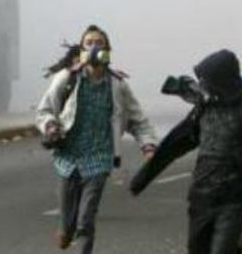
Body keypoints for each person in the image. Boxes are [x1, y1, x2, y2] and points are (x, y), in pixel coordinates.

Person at [131, 49, 242, 254]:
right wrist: (141, 179)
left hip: (234, 199)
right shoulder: (203, 110)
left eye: (206, 80)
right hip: (201, 196)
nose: (202, 85)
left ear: (221, 80)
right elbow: (173, 145)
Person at [35, 25, 158, 252]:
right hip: (68, 156)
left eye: (99, 43)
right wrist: (51, 126)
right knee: (68, 223)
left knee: (86, 218)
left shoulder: (118, 85)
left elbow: (137, 119)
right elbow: (44, 110)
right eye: (89, 43)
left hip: (99, 157)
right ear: (81, 49)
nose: (93, 47)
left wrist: (148, 145)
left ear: (107, 51)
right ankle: (65, 230)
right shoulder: (67, 78)